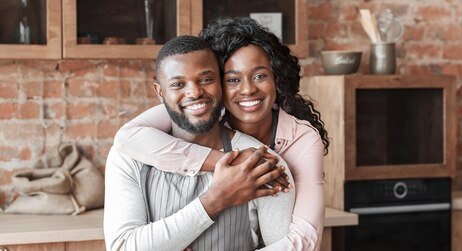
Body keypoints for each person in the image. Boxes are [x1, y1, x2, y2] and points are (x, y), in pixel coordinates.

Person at [114, 17, 329, 250]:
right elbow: (127, 137)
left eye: (260, 76)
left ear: (277, 78)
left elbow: (303, 240)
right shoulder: (197, 109)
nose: (247, 89)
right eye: (233, 79)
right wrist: (231, 163)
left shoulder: (295, 144)